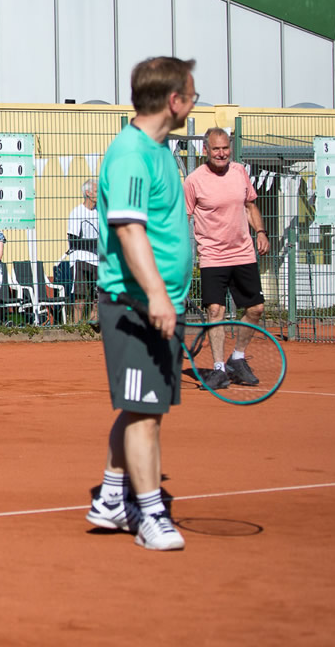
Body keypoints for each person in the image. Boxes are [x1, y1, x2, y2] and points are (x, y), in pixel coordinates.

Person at [88, 56, 197, 551]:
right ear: (173, 101)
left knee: (142, 410)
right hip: (135, 305)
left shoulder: (158, 151)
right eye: (191, 95)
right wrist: (155, 294)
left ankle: (113, 498)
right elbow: (129, 230)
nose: (194, 103)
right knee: (145, 414)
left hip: (154, 302)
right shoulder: (132, 154)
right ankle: (151, 515)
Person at [184, 127, 271, 388]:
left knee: (256, 309)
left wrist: (261, 232)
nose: (221, 153)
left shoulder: (239, 172)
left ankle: (238, 358)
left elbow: (250, 206)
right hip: (213, 256)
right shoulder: (194, 181)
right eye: (216, 149)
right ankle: (219, 369)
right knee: (215, 310)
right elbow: (183, 217)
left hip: (243, 253)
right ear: (206, 150)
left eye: (225, 148)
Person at [67, 180, 101, 323]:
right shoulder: (77, 212)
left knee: (98, 297)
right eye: (97, 191)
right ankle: (76, 327)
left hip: (98, 260)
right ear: (88, 193)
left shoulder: (100, 212)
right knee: (80, 299)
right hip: (81, 259)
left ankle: (94, 325)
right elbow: (73, 241)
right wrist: (97, 242)